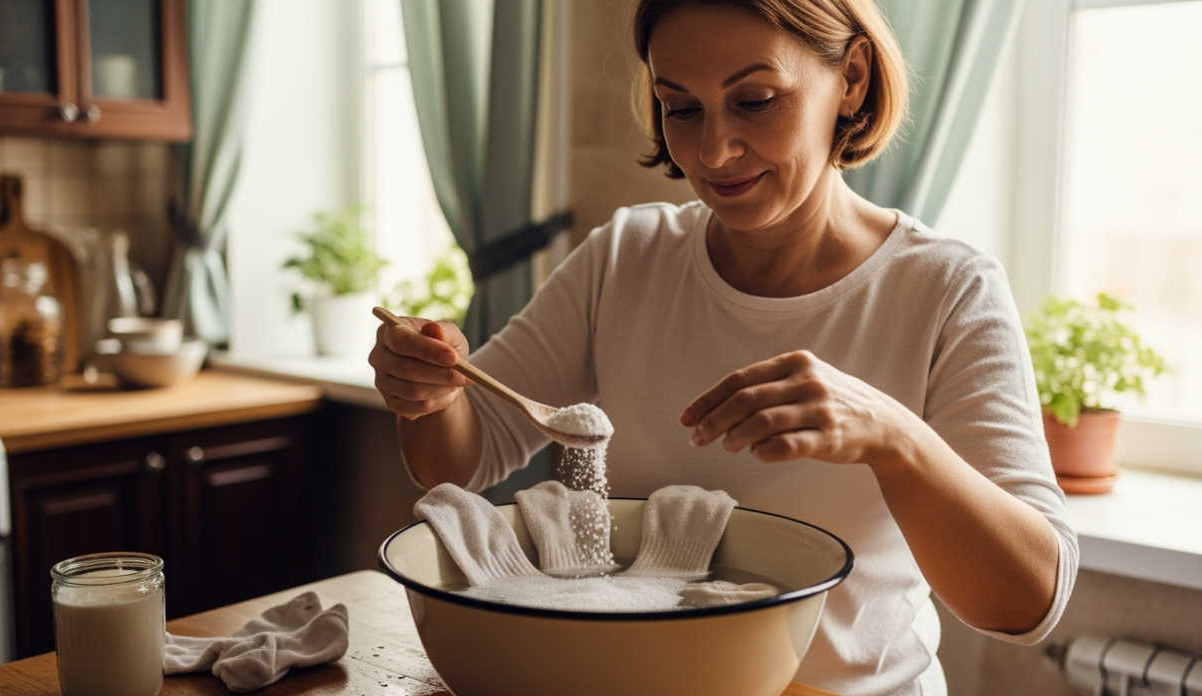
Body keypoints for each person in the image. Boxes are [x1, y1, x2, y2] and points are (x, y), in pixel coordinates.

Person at [368, 1, 1078, 694]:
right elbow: (457, 458)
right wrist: (429, 391)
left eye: (757, 100)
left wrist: (894, 439)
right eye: (681, 108)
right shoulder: (626, 257)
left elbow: (1027, 605)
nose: (713, 151)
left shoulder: (946, 289)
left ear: (853, 78)